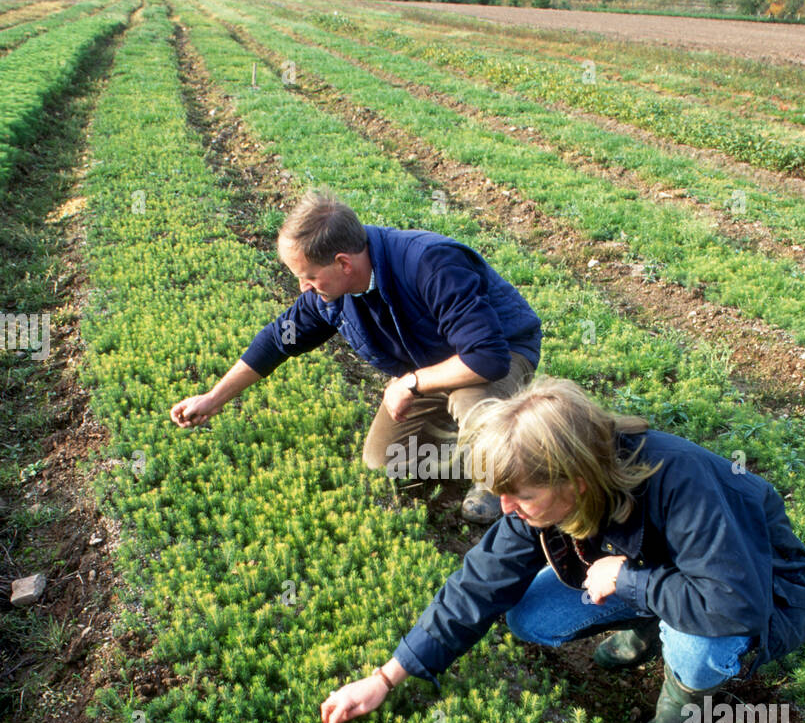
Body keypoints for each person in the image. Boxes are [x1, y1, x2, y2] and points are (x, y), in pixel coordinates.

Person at [319, 377, 805, 723]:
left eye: (521, 497)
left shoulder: (683, 484)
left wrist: (631, 583)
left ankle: (679, 711)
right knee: (529, 616)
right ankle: (651, 623)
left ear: (575, 482)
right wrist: (387, 676)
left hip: (757, 589)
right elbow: (479, 584)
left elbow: (734, 604)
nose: (508, 509)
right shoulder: (540, 490)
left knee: (701, 641)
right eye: (502, 494)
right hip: (649, 573)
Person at [169, 189, 541, 524]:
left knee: (468, 393)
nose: (303, 288)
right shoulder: (329, 295)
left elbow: (485, 358)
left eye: (309, 277)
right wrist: (213, 398)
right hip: (432, 366)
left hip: (500, 355)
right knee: (385, 461)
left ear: (344, 263)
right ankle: (501, 443)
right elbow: (277, 340)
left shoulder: (430, 263)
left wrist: (411, 383)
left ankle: (499, 477)